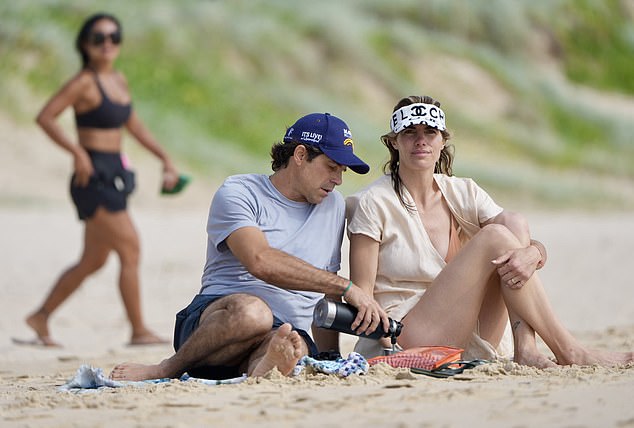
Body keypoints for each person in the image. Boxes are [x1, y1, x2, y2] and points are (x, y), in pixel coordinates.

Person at [346, 95, 634, 368]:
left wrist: (536, 252)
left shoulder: (462, 190)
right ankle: (569, 349)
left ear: (443, 140)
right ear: (394, 142)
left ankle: (526, 347)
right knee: (495, 237)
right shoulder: (373, 202)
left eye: (430, 132)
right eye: (410, 132)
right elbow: (362, 294)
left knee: (512, 222)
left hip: (468, 332)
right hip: (406, 338)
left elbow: (516, 237)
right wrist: (385, 347)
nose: (421, 141)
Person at [110, 112, 385, 381]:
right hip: (218, 324)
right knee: (254, 314)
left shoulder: (333, 205)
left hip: (283, 330)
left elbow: (326, 293)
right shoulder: (239, 192)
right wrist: (347, 287)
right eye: (332, 167)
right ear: (300, 155)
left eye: (343, 171)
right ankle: (166, 368)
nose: (338, 180)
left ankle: (261, 369)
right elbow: (260, 260)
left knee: (292, 347)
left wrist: (329, 354)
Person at [21, 13, 182, 347]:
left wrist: (165, 157)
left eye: (114, 37)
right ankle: (138, 330)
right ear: (85, 44)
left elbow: (135, 127)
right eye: (99, 38)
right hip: (91, 175)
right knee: (131, 248)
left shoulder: (118, 80)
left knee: (93, 260)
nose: (107, 44)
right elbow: (46, 117)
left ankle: (40, 317)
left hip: (113, 174)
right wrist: (77, 153)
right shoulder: (83, 82)